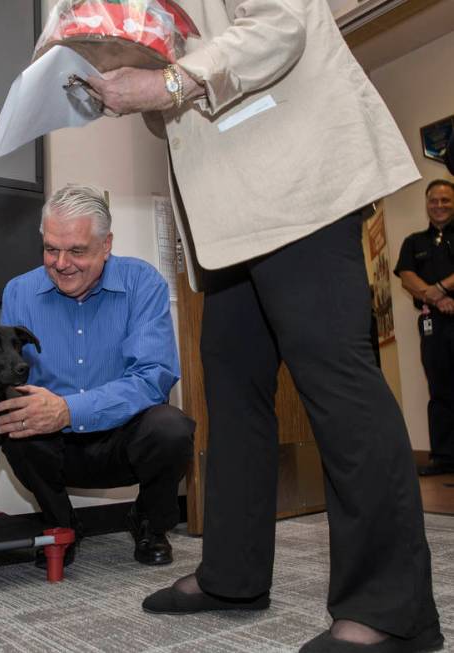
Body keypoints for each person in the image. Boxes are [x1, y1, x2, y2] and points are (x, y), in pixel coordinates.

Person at [83, 1, 441, 652]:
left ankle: (393, 612)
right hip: (228, 215)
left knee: (337, 387)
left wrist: (164, 83)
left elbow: (281, 26)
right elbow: (184, 115)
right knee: (231, 390)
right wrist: (141, 82)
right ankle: (232, 573)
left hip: (299, 189)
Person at [0, 184, 194, 567]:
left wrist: (69, 409)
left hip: (123, 438)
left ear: (106, 245)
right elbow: (2, 368)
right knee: (11, 420)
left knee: (171, 427)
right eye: (51, 249)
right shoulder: (19, 291)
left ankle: (149, 523)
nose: (61, 263)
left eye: (77, 250)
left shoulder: (143, 283)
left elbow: (153, 378)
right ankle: (62, 526)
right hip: (50, 443)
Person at [395, 180, 454, 477]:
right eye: (434, 200)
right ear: (426, 203)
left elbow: (435, 287)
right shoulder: (413, 242)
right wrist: (435, 297)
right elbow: (406, 276)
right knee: (439, 387)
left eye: (446, 200)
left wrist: (440, 288)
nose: (439, 205)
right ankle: (444, 457)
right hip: (433, 323)